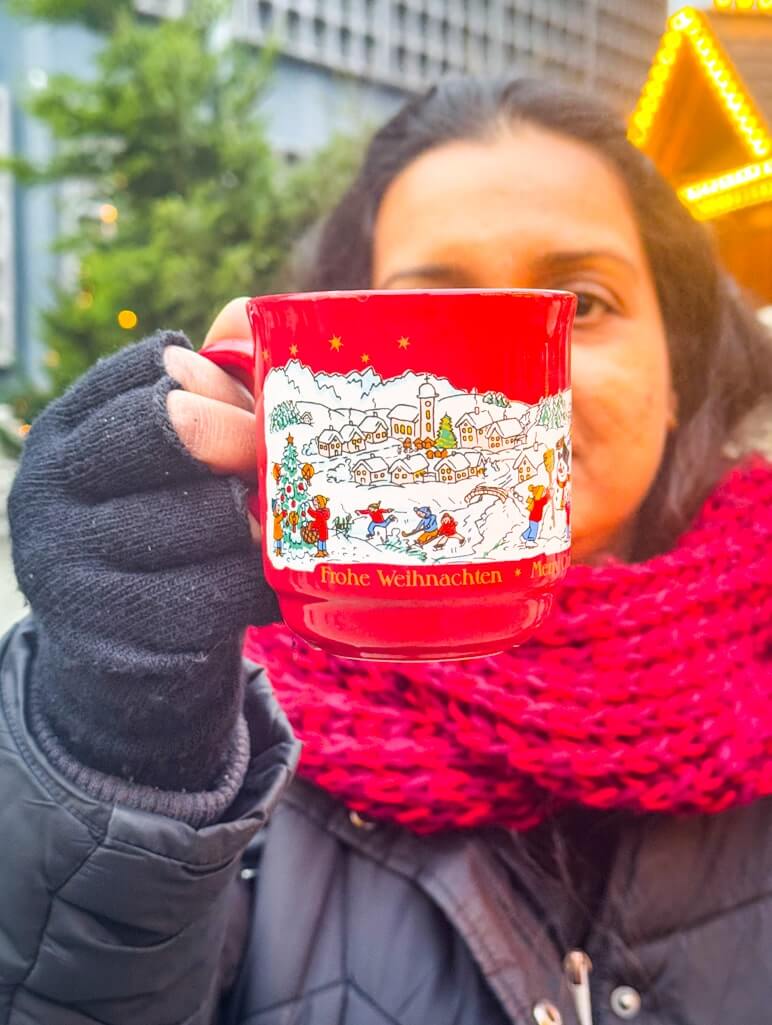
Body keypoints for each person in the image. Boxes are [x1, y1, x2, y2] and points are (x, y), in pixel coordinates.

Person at [2, 76, 772, 1025]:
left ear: (678, 373)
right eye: (429, 310)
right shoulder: (219, 738)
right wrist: (113, 756)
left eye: (581, 300)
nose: (495, 375)